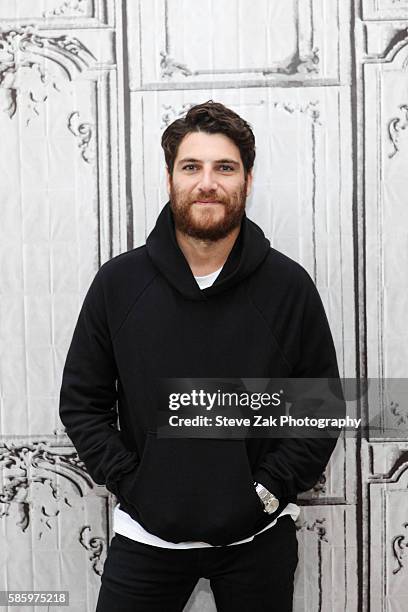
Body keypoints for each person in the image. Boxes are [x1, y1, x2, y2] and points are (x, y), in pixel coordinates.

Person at [59, 100, 343, 611]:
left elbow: (318, 408)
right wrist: (134, 484)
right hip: (146, 540)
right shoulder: (118, 285)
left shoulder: (288, 286)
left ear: (247, 182)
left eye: (224, 168)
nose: (207, 182)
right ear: (170, 178)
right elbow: (82, 402)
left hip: (257, 542)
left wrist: (268, 490)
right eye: (192, 167)